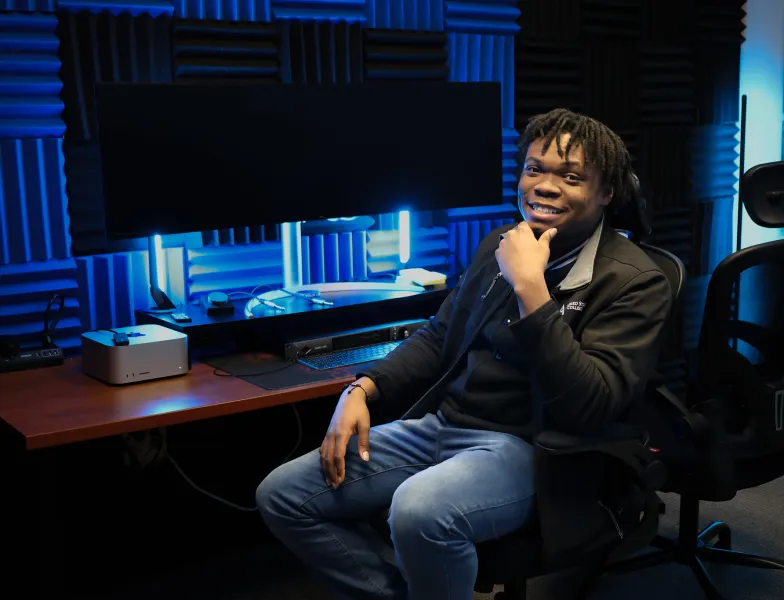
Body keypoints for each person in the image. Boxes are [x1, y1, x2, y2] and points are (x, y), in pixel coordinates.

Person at [256, 109, 673, 600]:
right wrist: (361, 389)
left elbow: (590, 404)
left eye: (572, 177)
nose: (544, 185)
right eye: (535, 169)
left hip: (530, 449)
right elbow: (438, 335)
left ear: (606, 193)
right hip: (443, 426)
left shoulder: (634, 281)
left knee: (418, 510)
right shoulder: (499, 244)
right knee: (283, 495)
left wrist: (531, 290)